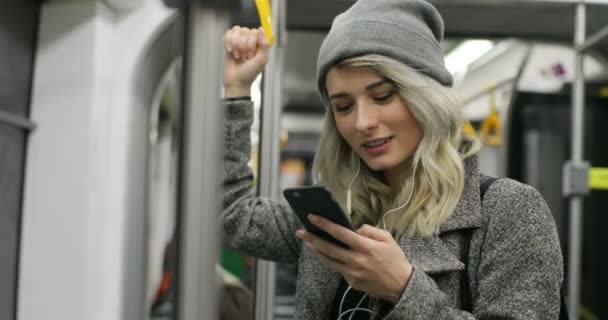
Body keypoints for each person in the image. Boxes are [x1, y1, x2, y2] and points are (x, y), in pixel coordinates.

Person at [220, 0, 564, 319]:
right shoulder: (337, 215)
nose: (362, 122)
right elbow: (229, 217)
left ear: (426, 97)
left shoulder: (508, 212)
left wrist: (403, 289)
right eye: (343, 107)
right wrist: (237, 90)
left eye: (382, 96)